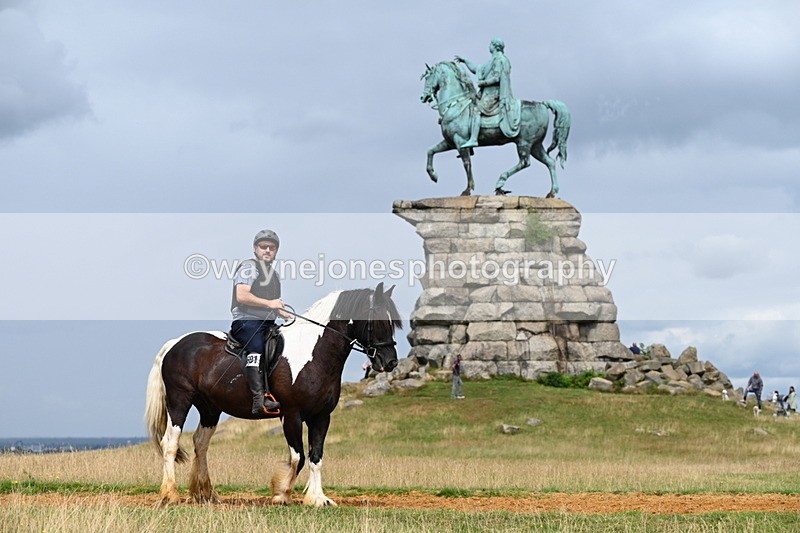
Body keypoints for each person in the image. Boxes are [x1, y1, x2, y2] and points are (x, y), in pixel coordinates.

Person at [230, 229, 292, 415]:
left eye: (272, 248)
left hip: (268, 323)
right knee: (256, 347)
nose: (267, 250)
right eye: (263, 247)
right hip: (246, 321)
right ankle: (259, 399)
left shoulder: (274, 275)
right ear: (255, 248)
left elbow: (274, 305)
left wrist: (285, 314)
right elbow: (242, 296)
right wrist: (270, 304)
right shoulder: (249, 268)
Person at [454, 37, 521, 148]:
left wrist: (483, 83)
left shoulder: (500, 60)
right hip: (487, 93)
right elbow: (477, 69)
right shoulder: (492, 61)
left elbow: (497, 78)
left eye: (490, 44)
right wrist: (465, 61)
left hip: (494, 94)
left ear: (495, 46)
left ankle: (474, 139)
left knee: (476, 110)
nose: (488, 46)